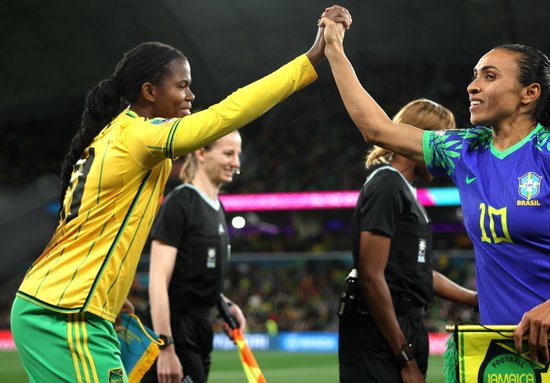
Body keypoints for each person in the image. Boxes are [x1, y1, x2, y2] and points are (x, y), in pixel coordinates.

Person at [9, 6, 352, 382]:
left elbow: (90, 227)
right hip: (66, 315)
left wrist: (110, 289)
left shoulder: (115, 137)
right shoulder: (140, 137)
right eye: (182, 85)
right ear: (149, 92)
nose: (191, 94)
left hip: (67, 307)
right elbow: (226, 115)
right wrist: (311, 58)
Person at [319, 17, 550, 382]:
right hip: (506, 360)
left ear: (530, 94)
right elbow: (377, 128)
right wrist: (335, 49)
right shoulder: (465, 149)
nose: (472, 86)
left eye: (489, 76)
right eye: (475, 76)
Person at [338, 99, 478, 383]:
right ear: (418, 140)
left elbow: (418, 273)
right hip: (379, 333)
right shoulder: (386, 185)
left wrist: (476, 300)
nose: (446, 157)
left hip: (403, 325)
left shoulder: (407, 192)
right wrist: (405, 357)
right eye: (440, 144)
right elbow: (371, 275)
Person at [142, 131, 245, 383]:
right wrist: (165, 347)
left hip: (201, 330)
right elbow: (158, 283)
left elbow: (190, 275)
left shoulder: (217, 207)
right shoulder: (180, 202)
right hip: (175, 332)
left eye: (238, 155)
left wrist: (223, 304)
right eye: (228, 153)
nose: (236, 163)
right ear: (200, 152)